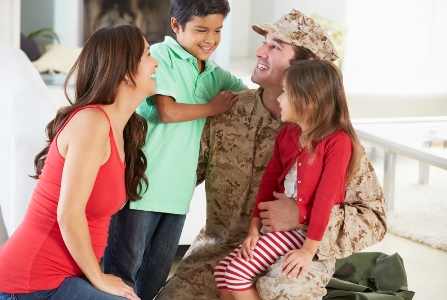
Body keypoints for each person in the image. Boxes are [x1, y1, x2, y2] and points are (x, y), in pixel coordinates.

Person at [156, 9, 386, 300]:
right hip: (220, 252)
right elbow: (178, 173)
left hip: (293, 256)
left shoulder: (330, 136)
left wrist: (302, 215)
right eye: (265, 42)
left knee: (283, 291)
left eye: (275, 46)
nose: (259, 51)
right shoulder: (225, 111)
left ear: (306, 67)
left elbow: (374, 218)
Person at [0, 24, 158, 300]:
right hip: (28, 281)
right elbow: (68, 215)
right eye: (146, 54)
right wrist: (98, 278)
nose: (155, 61)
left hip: (63, 277)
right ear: (126, 71)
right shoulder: (92, 123)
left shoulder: (122, 128)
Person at [103, 0, 247, 299]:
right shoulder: (159, 57)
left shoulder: (214, 73)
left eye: (218, 30)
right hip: (140, 185)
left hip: (178, 192)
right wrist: (211, 107)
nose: (210, 39)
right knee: (121, 274)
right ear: (175, 26)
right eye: (201, 30)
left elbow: (249, 97)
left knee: (155, 278)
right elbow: (166, 111)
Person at [214, 59, 362, 299]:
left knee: (236, 274)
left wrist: (307, 250)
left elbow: (325, 201)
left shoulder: (338, 141)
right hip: (275, 229)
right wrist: (254, 230)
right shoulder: (287, 135)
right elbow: (268, 183)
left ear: (308, 101)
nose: (279, 99)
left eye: (285, 93)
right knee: (222, 271)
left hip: (304, 233)